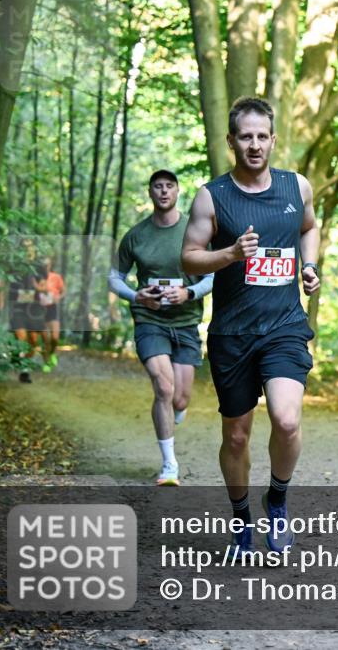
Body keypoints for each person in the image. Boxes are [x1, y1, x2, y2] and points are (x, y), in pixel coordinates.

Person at [182, 96, 320, 555]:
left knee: (286, 418)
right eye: (246, 137)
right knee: (236, 434)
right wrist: (231, 254)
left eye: (263, 136)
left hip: (284, 326)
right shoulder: (212, 195)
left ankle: (276, 504)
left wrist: (311, 265)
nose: (255, 145)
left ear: (273, 140)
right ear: (231, 141)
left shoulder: (295, 187)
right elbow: (189, 257)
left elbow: (309, 227)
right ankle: (242, 519)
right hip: (232, 334)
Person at [110, 169, 214, 486]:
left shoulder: (195, 231)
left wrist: (188, 292)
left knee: (180, 399)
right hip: (150, 321)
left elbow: (213, 275)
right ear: (150, 192)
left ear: (178, 191)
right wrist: (135, 295)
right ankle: (169, 465)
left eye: (169, 186)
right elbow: (114, 276)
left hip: (186, 323)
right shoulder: (136, 235)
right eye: (158, 186)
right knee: (163, 388)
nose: (164, 191)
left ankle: (176, 411)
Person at [2, 239, 44, 383]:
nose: (28, 250)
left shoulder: (39, 267)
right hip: (18, 307)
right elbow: (5, 284)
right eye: (25, 247)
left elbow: (43, 287)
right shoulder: (15, 267)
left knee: (33, 339)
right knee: (21, 337)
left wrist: (38, 288)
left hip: (33, 308)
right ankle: (19, 361)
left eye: (30, 247)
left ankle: (24, 369)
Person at [36, 256, 65, 372]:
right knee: (45, 339)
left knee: (55, 337)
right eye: (44, 264)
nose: (46, 266)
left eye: (48, 264)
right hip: (40, 309)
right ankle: (46, 362)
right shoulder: (36, 277)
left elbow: (63, 291)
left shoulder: (56, 277)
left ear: (51, 264)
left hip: (52, 307)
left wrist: (58, 297)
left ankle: (52, 354)